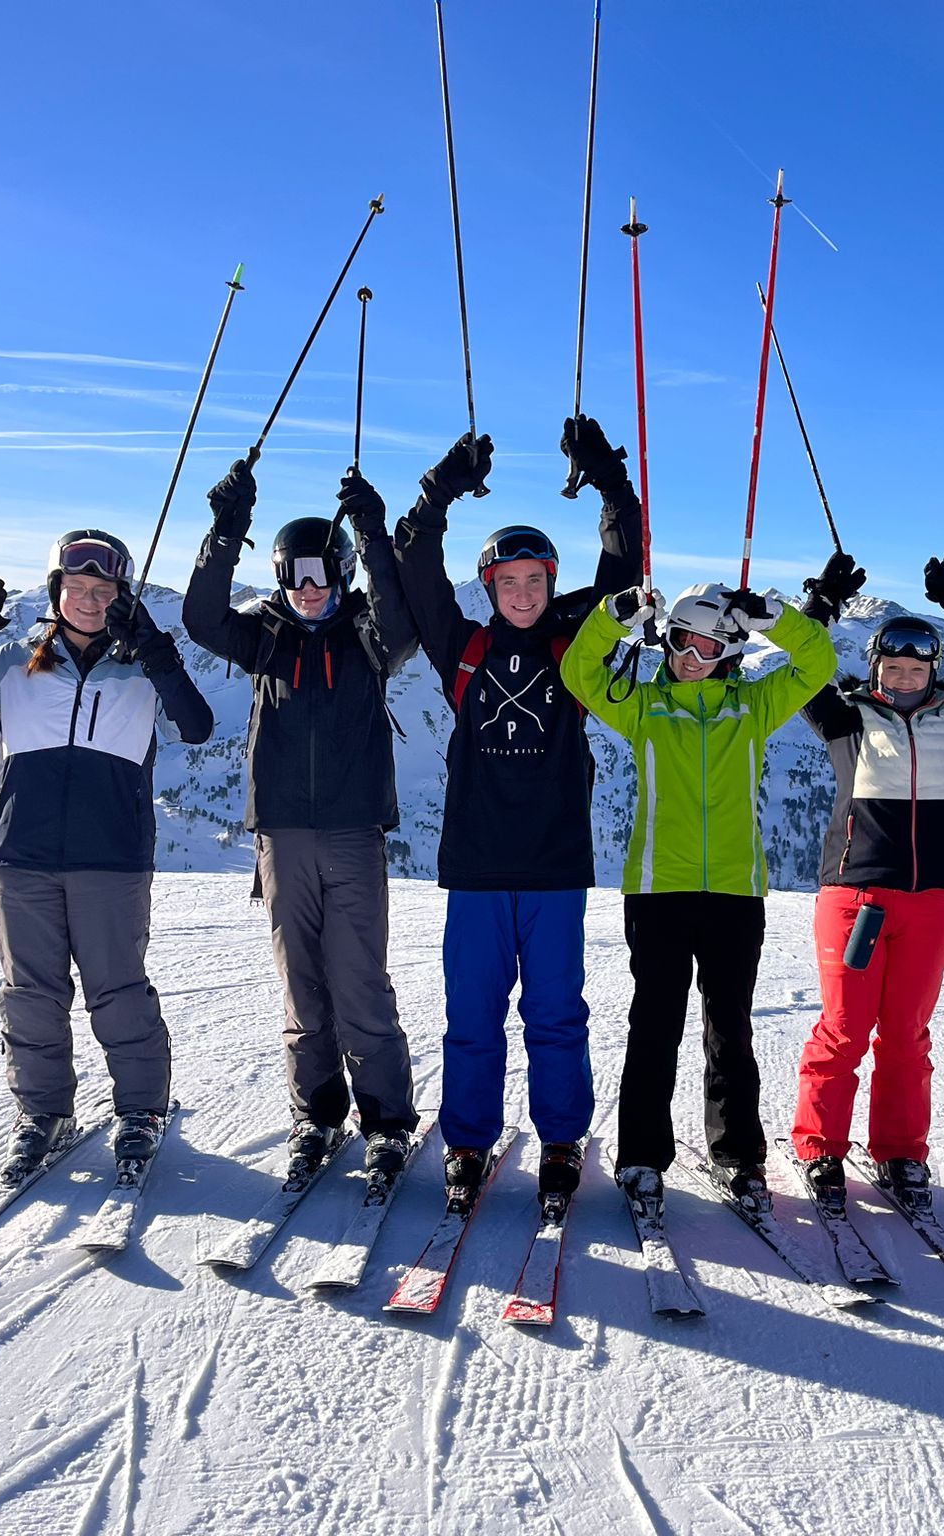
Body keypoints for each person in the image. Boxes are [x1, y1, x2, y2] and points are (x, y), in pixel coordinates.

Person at [391, 417, 644, 1210]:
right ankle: (468, 1143)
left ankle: (561, 1143)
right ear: (490, 588)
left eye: (537, 581)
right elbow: (415, 568)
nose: (525, 594)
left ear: (550, 582)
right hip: (475, 868)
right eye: (510, 583)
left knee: (556, 1015)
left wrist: (609, 480)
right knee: (471, 1016)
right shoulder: (461, 649)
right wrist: (439, 490)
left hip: (555, 868)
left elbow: (623, 566)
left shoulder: (577, 643)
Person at [0, 530, 215, 1176]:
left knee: (117, 991)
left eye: (103, 590)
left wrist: (158, 652)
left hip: (110, 858)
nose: (88, 600)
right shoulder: (15, 662)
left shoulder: (140, 666)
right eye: (77, 588)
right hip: (19, 855)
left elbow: (195, 728)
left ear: (122, 597)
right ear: (56, 592)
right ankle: (44, 1112)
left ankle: (141, 1110)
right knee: (30, 992)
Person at [562, 576, 838, 1214]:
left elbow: (818, 659)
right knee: (654, 1025)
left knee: (730, 1028)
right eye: (683, 641)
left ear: (732, 654)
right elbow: (580, 670)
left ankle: (739, 1157)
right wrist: (616, 615)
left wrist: (776, 617)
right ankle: (640, 1158)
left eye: (709, 647)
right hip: (659, 889)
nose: (692, 656)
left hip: (736, 892)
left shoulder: (755, 706)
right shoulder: (643, 705)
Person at [182, 458, 421, 1181]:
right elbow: (200, 619)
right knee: (302, 987)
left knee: (359, 983)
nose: (310, 590)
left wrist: (376, 534)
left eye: (323, 574)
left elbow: (405, 627)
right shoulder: (267, 638)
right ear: (282, 578)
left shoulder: (366, 639)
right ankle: (315, 1114)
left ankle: (385, 1122)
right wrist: (228, 532)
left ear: (343, 574)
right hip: (282, 838)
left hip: (352, 836)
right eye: (296, 576)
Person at [788, 551, 944, 1217]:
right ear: (875, 669)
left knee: (907, 1033)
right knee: (843, 1028)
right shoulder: (846, 720)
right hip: (856, 898)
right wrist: (820, 604)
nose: (906, 677)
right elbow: (802, 672)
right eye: (893, 668)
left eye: (917, 668)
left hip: (932, 901)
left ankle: (899, 1151)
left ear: (932, 671)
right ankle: (819, 1146)